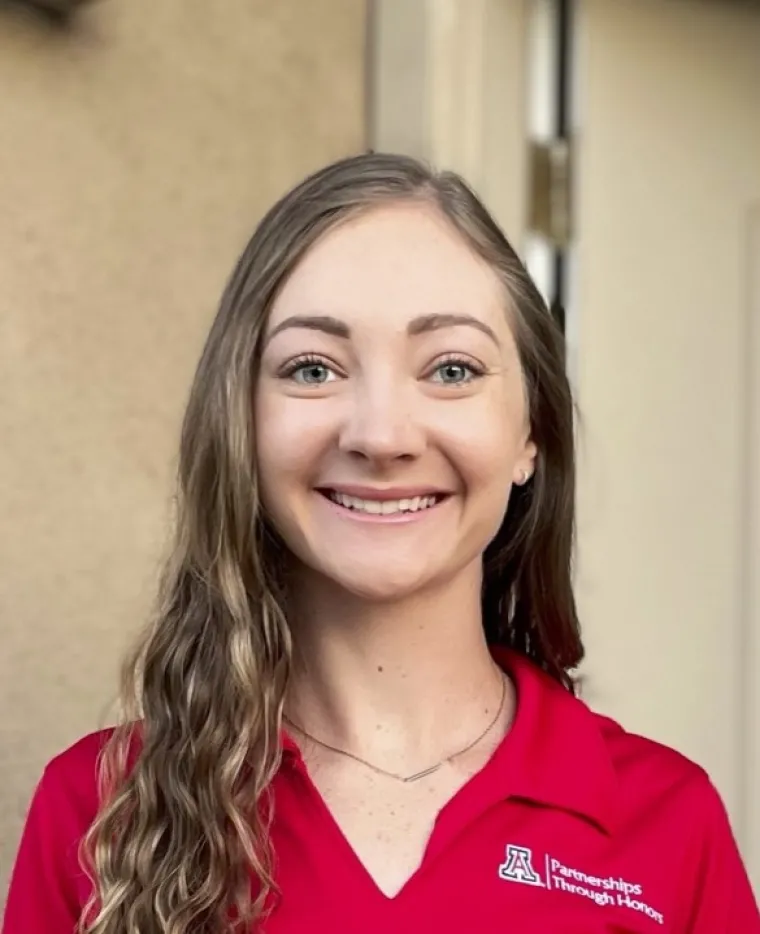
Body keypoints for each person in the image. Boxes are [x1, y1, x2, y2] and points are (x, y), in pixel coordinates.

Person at [2, 153, 758, 934]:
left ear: (530, 432)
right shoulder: (101, 808)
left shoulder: (669, 824)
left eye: (453, 368)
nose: (382, 435)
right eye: (313, 368)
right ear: (242, 424)